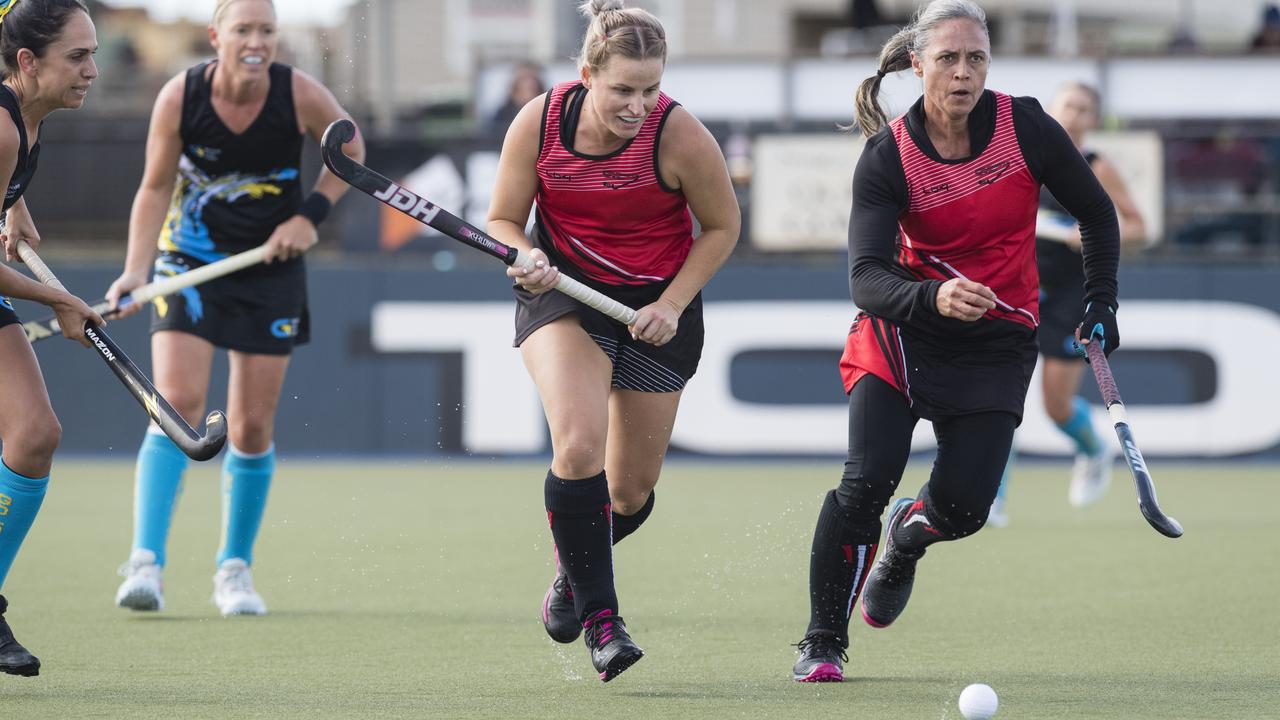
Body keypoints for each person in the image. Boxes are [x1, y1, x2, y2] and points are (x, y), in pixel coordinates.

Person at [791, 0, 1121, 683]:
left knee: (967, 510)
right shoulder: (888, 157)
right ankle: (823, 640)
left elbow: (1096, 211)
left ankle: (908, 538)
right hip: (902, 334)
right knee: (864, 484)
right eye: (947, 58)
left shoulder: (1026, 126)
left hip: (998, 339)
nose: (963, 72)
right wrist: (931, 297)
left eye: (976, 58)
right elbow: (865, 278)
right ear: (917, 66)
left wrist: (1101, 299)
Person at [486, 0, 739, 682]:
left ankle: (576, 572)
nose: (638, 104)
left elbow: (721, 227)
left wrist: (672, 302)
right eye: (623, 88)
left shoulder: (678, 135)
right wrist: (523, 254)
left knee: (628, 493)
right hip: (563, 297)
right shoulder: (539, 122)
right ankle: (604, 620)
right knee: (578, 445)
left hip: (657, 311)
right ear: (588, 73)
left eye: (650, 88)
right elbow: (505, 219)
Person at [105, 0, 364, 617]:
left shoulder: (298, 93)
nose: (257, 41)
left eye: (267, 30)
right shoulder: (180, 97)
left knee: (250, 426)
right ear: (216, 35)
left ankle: (234, 570)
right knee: (178, 405)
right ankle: (145, 562)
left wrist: (310, 215)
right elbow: (154, 186)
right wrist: (136, 271)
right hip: (187, 264)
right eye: (243, 29)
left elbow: (350, 153)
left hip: (269, 271)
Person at [0, 0, 105, 678]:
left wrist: (13, 203)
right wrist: (60, 299)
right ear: (28, 62)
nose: (92, 70)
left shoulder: (27, 125)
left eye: (94, 54)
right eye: (78, 56)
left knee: (35, 432)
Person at [989, 81, 1147, 527]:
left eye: (1083, 109)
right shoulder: (1023, 158)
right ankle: (991, 497)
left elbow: (1137, 227)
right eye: (1067, 106)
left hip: (1070, 295)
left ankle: (1094, 453)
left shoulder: (1096, 166)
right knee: (1001, 395)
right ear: (1051, 110)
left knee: (1056, 406)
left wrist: (1088, 234)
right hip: (1016, 290)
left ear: (1094, 119)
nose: (1074, 115)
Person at [488, 60, 544, 135]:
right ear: (516, 84)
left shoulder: (547, 111)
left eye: (533, 79)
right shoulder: (503, 113)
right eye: (524, 79)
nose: (530, 84)